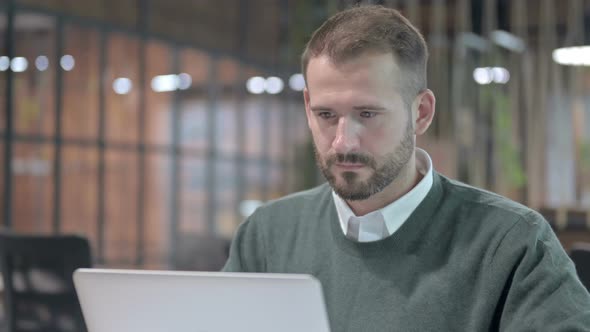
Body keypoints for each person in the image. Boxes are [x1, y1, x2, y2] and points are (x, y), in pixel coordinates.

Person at [223, 5, 590, 331]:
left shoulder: (511, 243)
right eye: (326, 115)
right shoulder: (267, 235)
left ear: (421, 113)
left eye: (367, 114)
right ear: (307, 107)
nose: (343, 142)